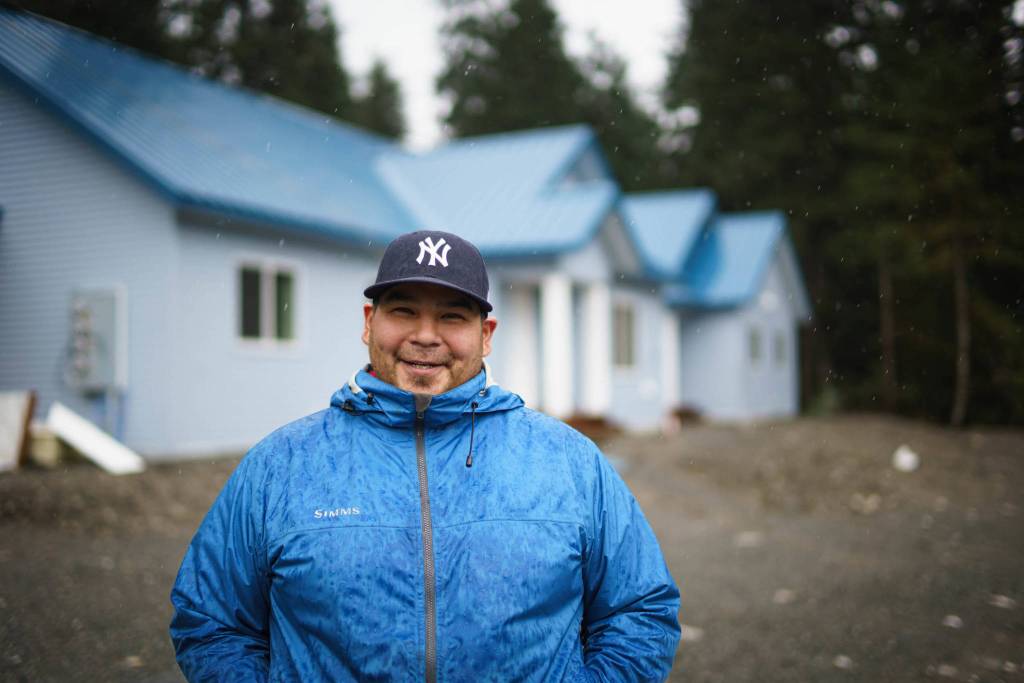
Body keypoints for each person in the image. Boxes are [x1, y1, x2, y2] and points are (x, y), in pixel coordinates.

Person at [169, 230, 681, 681]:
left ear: (486, 335)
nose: (425, 335)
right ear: (369, 322)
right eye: (404, 310)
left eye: (452, 316)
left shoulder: (570, 461)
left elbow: (640, 608)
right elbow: (212, 620)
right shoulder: (279, 465)